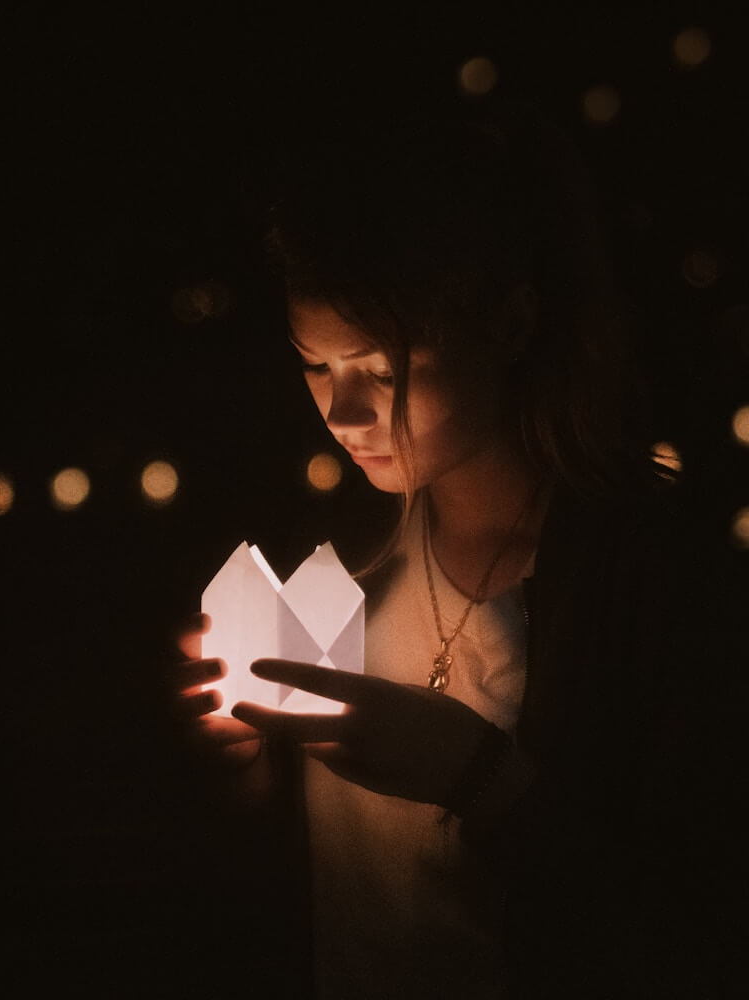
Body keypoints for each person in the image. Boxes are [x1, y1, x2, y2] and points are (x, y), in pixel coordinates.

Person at [178, 104, 746, 998]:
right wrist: (243, 775)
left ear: (512, 326)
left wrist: (479, 779)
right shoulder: (336, 556)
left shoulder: (649, 578)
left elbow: (690, 928)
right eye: (315, 365)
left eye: (382, 370)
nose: (342, 412)